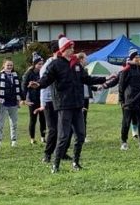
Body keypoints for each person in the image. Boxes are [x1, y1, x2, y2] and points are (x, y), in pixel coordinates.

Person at [31, 35, 108, 173]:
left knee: (80, 135)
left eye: (72, 47)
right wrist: (38, 84)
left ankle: (75, 162)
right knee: (63, 136)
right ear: (63, 49)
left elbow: (86, 79)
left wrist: (104, 79)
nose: (72, 50)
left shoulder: (76, 64)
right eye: (70, 47)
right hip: (64, 105)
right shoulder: (55, 64)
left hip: (77, 104)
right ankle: (55, 164)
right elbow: (46, 79)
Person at [118, 49, 140, 151]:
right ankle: (124, 142)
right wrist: (122, 101)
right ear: (131, 58)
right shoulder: (125, 71)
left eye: (138, 57)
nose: (138, 59)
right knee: (126, 122)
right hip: (129, 102)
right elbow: (121, 87)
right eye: (136, 57)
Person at [0, 57, 23, 148]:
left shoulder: (15, 75)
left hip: (13, 102)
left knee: (14, 123)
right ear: (3, 65)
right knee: (0, 122)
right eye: (7, 65)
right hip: (3, 102)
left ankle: (14, 141)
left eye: (11, 65)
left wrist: (22, 99)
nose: (9, 67)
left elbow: (19, 88)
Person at [23, 53, 46, 145]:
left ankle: (43, 137)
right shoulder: (29, 73)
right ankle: (32, 139)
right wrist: (24, 99)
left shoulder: (44, 72)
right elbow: (24, 87)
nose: (41, 65)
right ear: (34, 64)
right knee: (33, 119)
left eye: (42, 64)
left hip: (42, 98)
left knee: (43, 119)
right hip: (32, 99)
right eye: (39, 64)